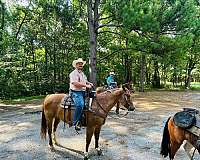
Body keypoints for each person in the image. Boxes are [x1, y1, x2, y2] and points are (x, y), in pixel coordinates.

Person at [69, 58, 93, 131]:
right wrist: (86, 86)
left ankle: (84, 119)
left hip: (83, 92)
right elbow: (75, 83)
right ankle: (75, 122)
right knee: (80, 105)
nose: (80, 65)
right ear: (75, 65)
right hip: (75, 92)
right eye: (79, 63)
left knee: (89, 104)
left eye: (81, 64)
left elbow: (85, 80)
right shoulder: (73, 73)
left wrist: (89, 83)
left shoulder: (82, 73)